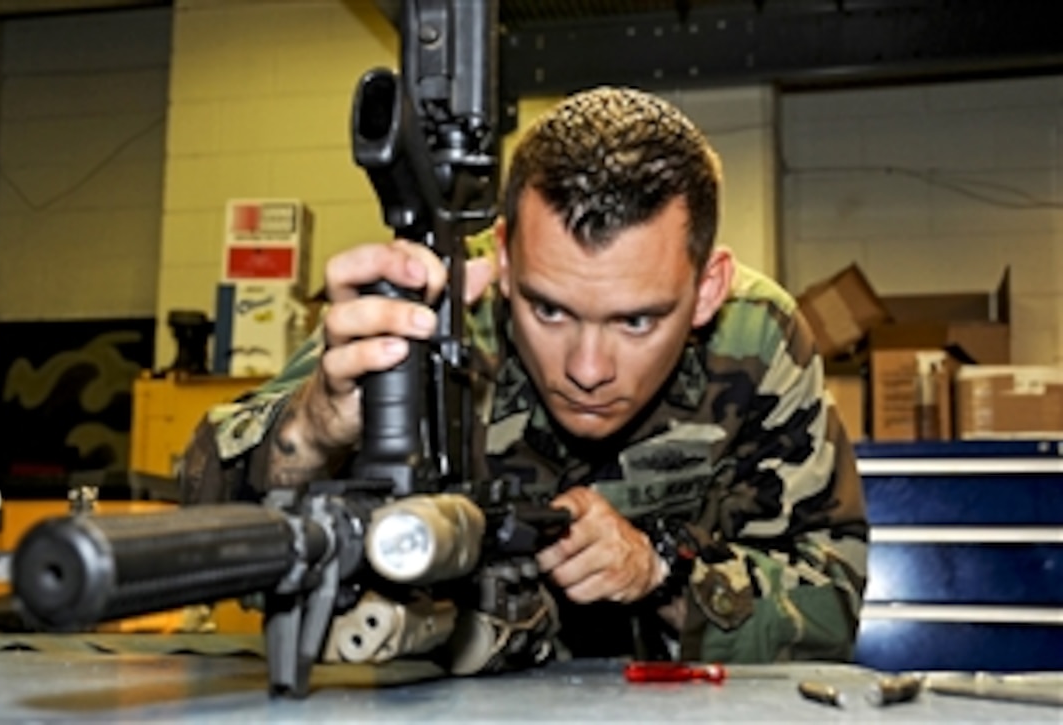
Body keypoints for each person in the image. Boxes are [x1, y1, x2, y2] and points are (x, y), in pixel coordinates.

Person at [180, 86, 868, 664]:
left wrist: (660, 573)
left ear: (709, 288)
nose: (588, 369)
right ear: (505, 256)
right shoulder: (443, 306)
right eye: (548, 308)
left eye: (636, 321)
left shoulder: (756, 336)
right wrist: (313, 426)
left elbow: (832, 600)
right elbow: (197, 523)